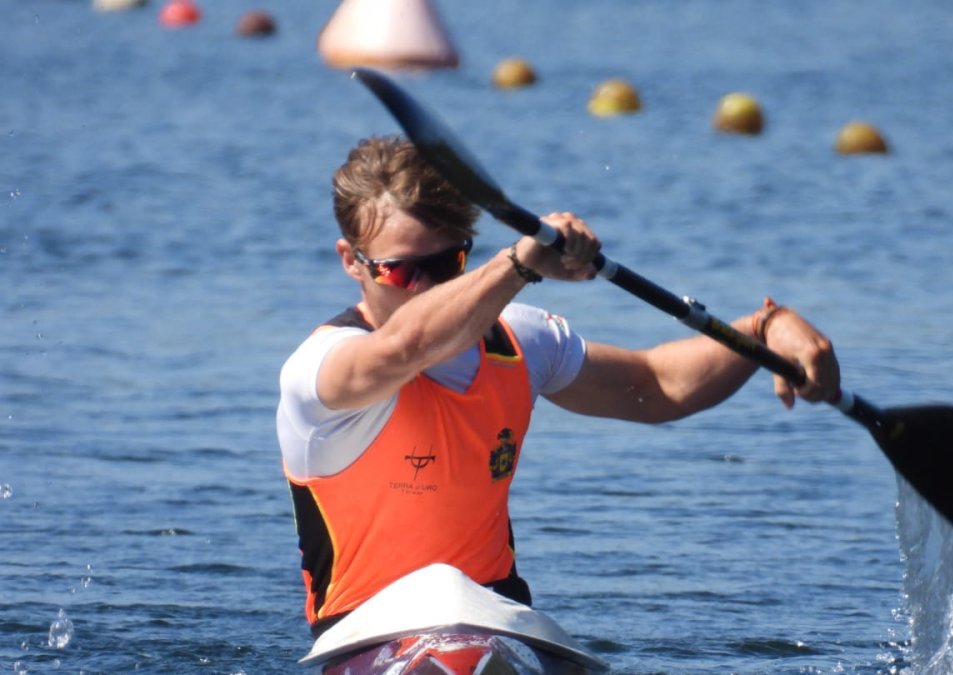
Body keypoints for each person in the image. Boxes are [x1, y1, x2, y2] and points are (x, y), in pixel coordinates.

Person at [276, 136, 841, 638]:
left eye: (447, 264)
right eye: (401, 272)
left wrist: (764, 329)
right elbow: (406, 348)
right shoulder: (322, 370)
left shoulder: (521, 341)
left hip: (499, 622)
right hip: (365, 638)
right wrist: (519, 263)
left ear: (465, 252)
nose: (425, 289)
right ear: (352, 261)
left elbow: (658, 385)